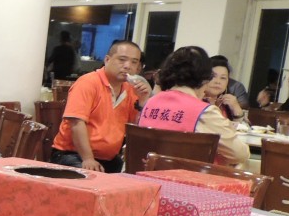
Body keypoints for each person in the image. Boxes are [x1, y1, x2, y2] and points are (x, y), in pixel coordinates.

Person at [49, 40, 152, 173]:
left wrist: (143, 101)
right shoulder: (88, 82)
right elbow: (76, 123)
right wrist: (88, 158)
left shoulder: (132, 89)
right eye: (122, 60)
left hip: (109, 158)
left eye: (134, 62)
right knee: (93, 176)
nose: (128, 66)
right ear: (107, 60)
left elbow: (135, 129)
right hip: (72, 154)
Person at [139, 45, 249, 167]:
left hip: (145, 174)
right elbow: (240, 154)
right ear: (204, 78)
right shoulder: (203, 112)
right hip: (184, 177)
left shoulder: (151, 102)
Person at [204, 55, 246, 121]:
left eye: (223, 78)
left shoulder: (226, 105)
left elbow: (243, 127)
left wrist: (236, 109)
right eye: (213, 76)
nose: (218, 82)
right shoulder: (195, 102)